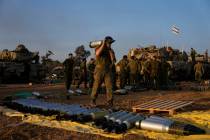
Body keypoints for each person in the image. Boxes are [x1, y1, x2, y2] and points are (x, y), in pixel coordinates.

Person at [91, 36, 116, 107]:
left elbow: (113, 60)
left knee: (110, 87)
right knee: (96, 86)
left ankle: (110, 102)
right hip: (99, 70)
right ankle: (93, 100)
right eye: (109, 43)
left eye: (111, 43)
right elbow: (97, 54)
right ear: (106, 43)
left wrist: (111, 53)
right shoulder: (99, 48)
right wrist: (103, 44)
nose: (110, 44)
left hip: (108, 70)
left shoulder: (111, 50)